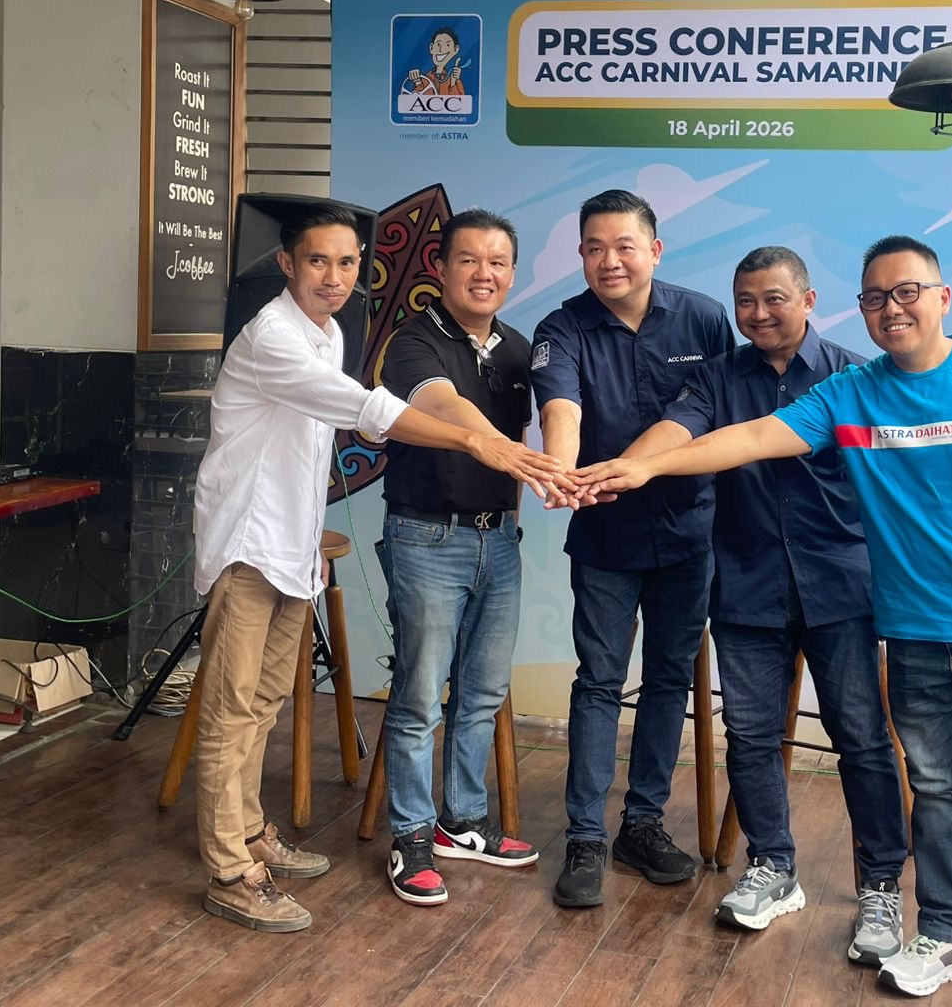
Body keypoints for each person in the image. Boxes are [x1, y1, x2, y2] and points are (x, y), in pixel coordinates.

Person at [571, 235, 952, 1007]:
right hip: (907, 626)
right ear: (860, 306)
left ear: (941, 297)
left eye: (907, 292)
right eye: (877, 298)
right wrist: (642, 464)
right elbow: (747, 438)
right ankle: (937, 932)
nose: (893, 309)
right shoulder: (852, 395)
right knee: (935, 787)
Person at [192, 201, 559, 934]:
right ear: (287, 264)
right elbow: (366, 408)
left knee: (264, 702)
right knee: (231, 712)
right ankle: (230, 870)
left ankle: (251, 830)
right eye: (318, 261)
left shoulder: (327, 334)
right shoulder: (272, 338)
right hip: (247, 546)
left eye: (347, 262)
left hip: (292, 548)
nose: (334, 276)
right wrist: (479, 443)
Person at [614, 245, 909, 962]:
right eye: (744, 301)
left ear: (807, 301)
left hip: (841, 586)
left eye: (774, 299)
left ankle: (881, 885)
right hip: (746, 586)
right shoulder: (718, 377)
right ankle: (773, 867)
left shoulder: (853, 378)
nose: (757, 314)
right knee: (749, 736)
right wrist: (630, 466)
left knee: (862, 739)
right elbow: (679, 430)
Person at [529, 188, 734, 908]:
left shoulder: (704, 318)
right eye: (594, 248)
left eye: (624, 246)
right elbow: (561, 406)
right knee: (599, 680)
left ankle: (642, 824)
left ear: (655, 250)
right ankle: (585, 835)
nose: (609, 261)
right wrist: (562, 472)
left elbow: (714, 412)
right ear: (581, 256)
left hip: (690, 531)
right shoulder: (561, 327)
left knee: (670, 679)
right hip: (605, 535)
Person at [377, 209, 546, 906]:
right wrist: (496, 447)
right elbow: (442, 405)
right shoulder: (412, 341)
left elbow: (550, 422)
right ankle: (411, 836)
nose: (484, 274)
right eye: (469, 260)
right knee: (420, 696)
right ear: (440, 268)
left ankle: (463, 822)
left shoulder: (519, 350)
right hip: (427, 539)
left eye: (498, 262)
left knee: (482, 694)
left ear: (512, 273)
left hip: (499, 540)